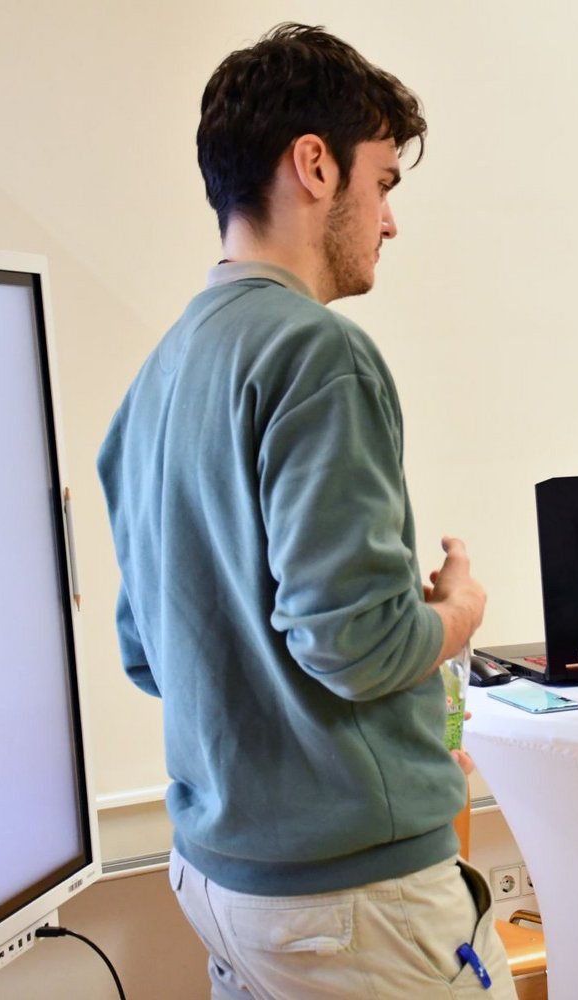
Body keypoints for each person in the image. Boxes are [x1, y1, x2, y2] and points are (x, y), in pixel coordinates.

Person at [97, 24, 517, 999]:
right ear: (316, 165)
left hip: (223, 884)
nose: (390, 221)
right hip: (352, 899)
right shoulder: (320, 353)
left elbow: (147, 651)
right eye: (383, 182)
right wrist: (454, 614)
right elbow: (357, 645)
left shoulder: (157, 377)